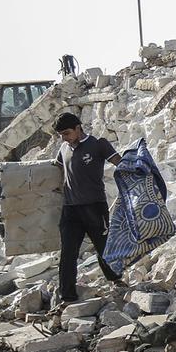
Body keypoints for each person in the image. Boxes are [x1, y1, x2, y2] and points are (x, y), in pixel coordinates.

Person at [53, 112, 123, 303]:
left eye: (67, 133)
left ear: (78, 128)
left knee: (104, 249)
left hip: (94, 207)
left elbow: (120, 163)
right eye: (61, 135)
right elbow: (57, 170)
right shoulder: (63, 148)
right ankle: (67, 295)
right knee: (68, 253)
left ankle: (115, 280)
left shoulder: (98, 144)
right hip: (70, 210)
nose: (64, 138)